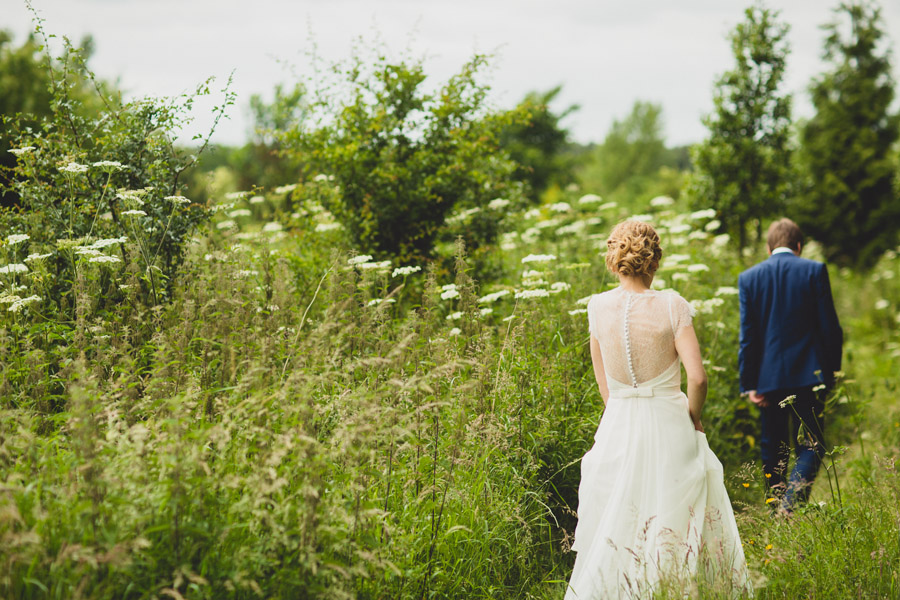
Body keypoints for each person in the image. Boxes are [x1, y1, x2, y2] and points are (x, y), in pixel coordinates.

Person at [565, 220, 750, 599]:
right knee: (674, 517)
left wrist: (624, 417)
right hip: (669, 422)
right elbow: (697, 378)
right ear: (655, 259)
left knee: (621, 521)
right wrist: (693, 418)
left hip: (618, 423)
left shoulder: (597, 307)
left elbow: (607, 387)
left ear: (614, 258)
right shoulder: (672, 305)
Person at [738, 218, 843, 512]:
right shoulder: (813, 270)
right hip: (809, 374)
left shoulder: (749, 278)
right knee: (811, 444)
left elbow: (748, 336)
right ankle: (791, 505)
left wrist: (749, 383)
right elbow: (830, 328)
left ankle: (775, 509)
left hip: (767, 378)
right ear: (799, 246)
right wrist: (831, 372)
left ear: (769, 247)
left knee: (772, 446)